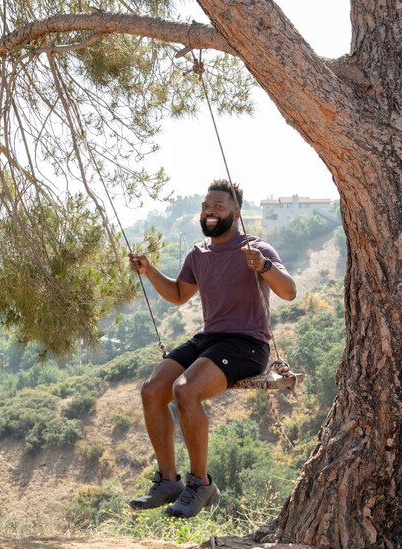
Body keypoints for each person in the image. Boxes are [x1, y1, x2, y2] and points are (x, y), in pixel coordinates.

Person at [126, 179, 297, 518]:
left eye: (218, 207)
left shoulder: (256, 248)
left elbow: (289, 292)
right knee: (152, 390)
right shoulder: (199, 253)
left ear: (236, 212)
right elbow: (178, 295)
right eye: (206, 207)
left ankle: (201, 484)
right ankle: (168, 481)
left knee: (185, 391)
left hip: (247, 344)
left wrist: (263, 266)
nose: (210, 212)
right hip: (210, 338)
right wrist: (148, 271)